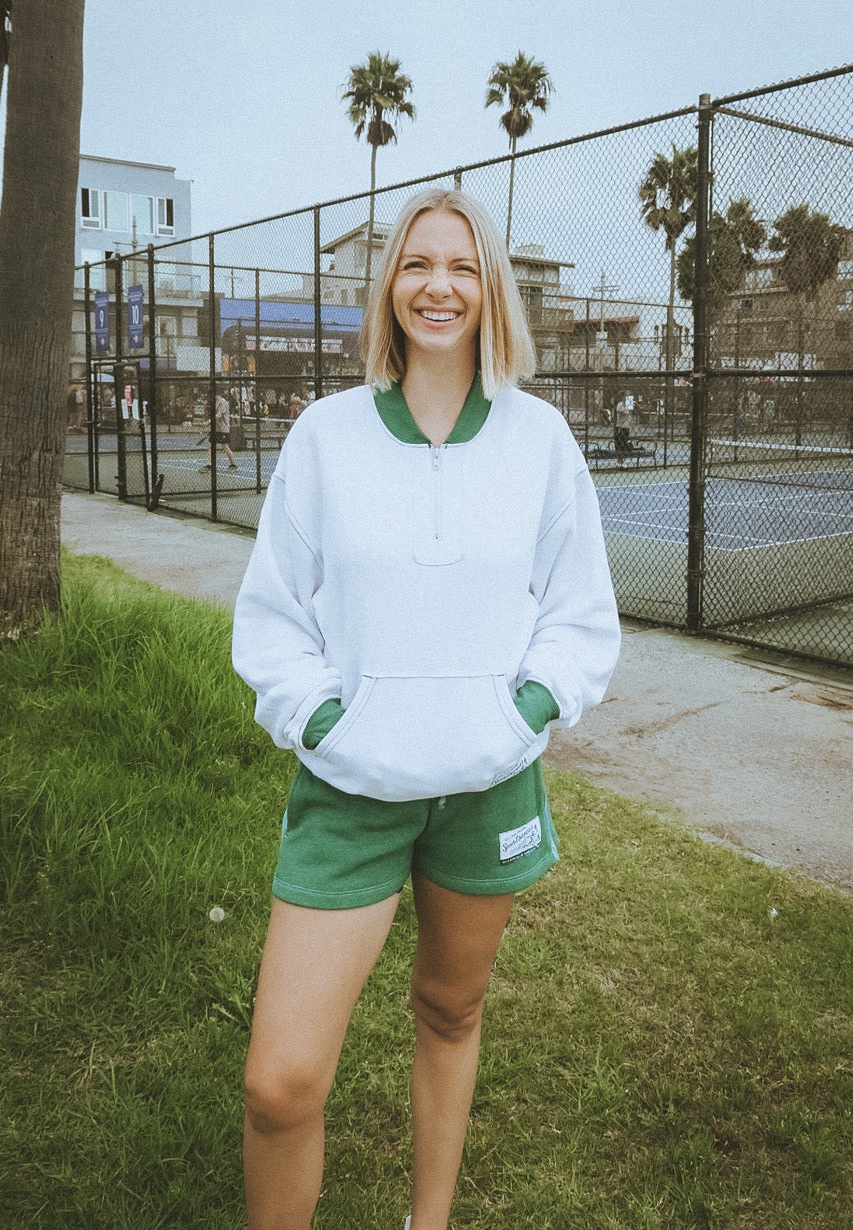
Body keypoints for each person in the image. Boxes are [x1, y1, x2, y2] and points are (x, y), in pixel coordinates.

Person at [231, 188, 621, 1230]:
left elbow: (580, 616)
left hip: (486, 785)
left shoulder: (539, 440)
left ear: (489, 286)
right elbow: (271, 618)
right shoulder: (325, 435)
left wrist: (520, 711)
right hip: (351, 788)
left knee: (451, 1008)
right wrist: (323, 721)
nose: (437, 284)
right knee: (279, 1084)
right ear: (388, 287)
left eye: (459, 265)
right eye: (415, 264)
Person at [201, 390, 238, 469]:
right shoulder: (215, 403)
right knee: (210, 445)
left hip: (223, 429)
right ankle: (209, 464)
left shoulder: (223, 402)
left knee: (225, 447)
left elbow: (219, 415)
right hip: (216, 429)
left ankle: (233, 463)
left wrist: (208, 422)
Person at [614, 391, 634, 463]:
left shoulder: (629, 403)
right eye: (626, 396)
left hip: (627, 427)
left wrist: (633, 405)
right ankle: (620, 460)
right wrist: (627, 408)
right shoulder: (620, 404)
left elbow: (630, 412)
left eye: (628, 396)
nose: (627, 398)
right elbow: (624, 412)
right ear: (622, 397)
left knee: (626, 443)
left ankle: (623, 459)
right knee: (620, 444)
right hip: (620, 427)